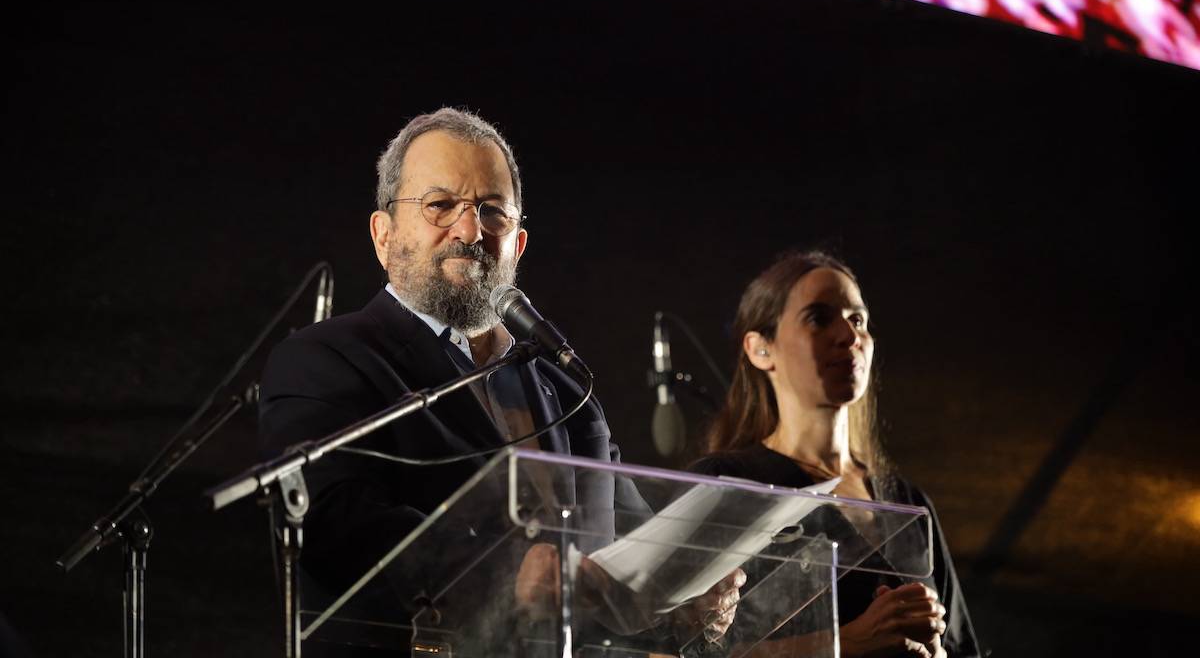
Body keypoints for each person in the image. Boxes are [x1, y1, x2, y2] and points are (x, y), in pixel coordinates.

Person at [258, 107, 739, 648]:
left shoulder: (565, 391)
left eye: (493, 212)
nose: (470, 230)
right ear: (384, 235)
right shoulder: (324, 358)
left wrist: (683, 591)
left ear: (519, 243)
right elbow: (336, 523)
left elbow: (625, 546)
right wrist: (508, 574)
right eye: (441, 206)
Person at [690, 250, 981, 658]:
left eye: (857, 319)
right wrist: (845, 645)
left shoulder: (908, 501)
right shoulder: (728, 484)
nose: (849, 335)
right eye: (819, 318)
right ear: (760, 349)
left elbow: (962, 646)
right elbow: (669, 653)